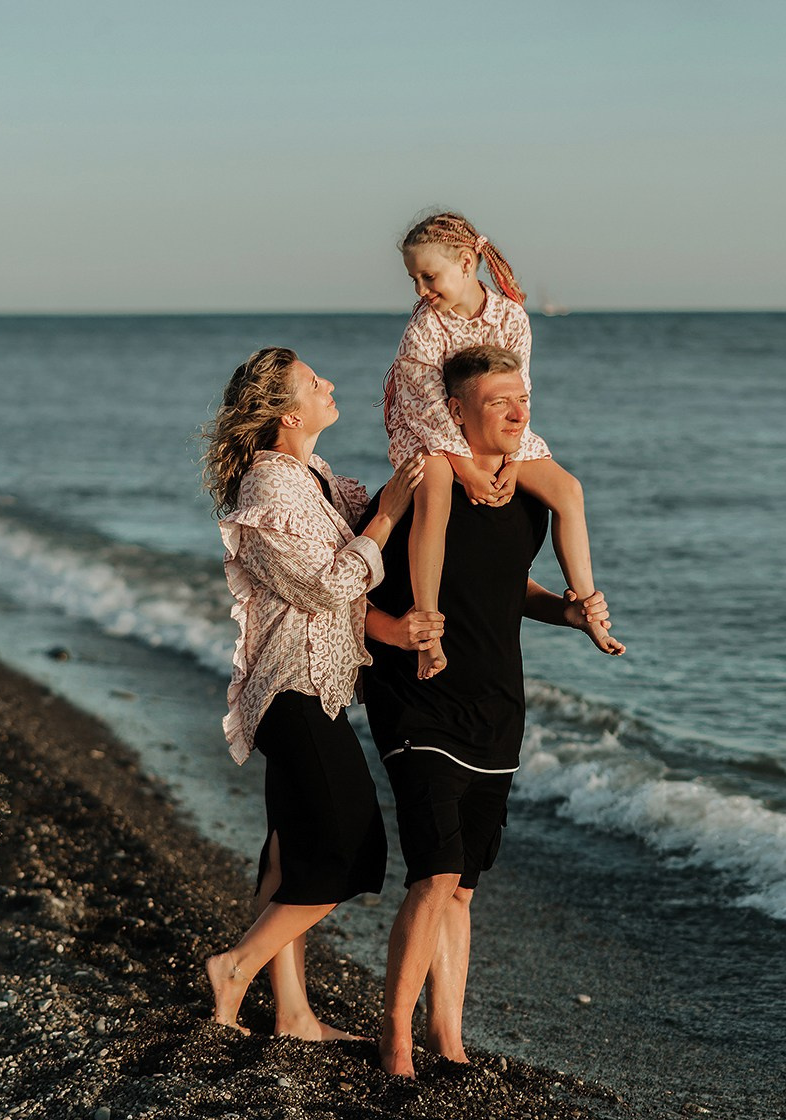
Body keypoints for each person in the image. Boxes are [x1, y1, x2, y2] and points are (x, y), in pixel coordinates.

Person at [364, 344, 625, 1078]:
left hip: (497, 701)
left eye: (522, 398)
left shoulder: (531, 491)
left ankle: (447, 1035)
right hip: (418, 690)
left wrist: (567, 612)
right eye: (497, 402)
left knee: (465, 883)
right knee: (436, 868)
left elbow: (508, 586)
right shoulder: (426, 478)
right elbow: (374, 574)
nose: (518, 411)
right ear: (455, 412)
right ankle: (394, 1036)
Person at [201, 346, 431, 1039]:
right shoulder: (269, 490)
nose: (329, 383)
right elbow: (329, 582)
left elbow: (374, 511)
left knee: (290, 851)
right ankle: (235, 966)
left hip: (317, 689)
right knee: (345, 846)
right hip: (290, 691)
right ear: (287, 412)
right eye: (313, 381)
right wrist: (388, 519)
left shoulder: (314, 474)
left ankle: (295, 1015)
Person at [384, 210, 615, 680]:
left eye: (429, 276)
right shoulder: (425, 327)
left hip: (497, 435)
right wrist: (467, 468)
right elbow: (425, 408)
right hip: (429, 434)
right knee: (434, 491)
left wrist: (511, 460)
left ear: (467, 263)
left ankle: (588, 608)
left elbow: (518, 391)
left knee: (568, 491)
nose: (421, 290)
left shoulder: (510, 316)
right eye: (414, 279)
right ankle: (428, 632)